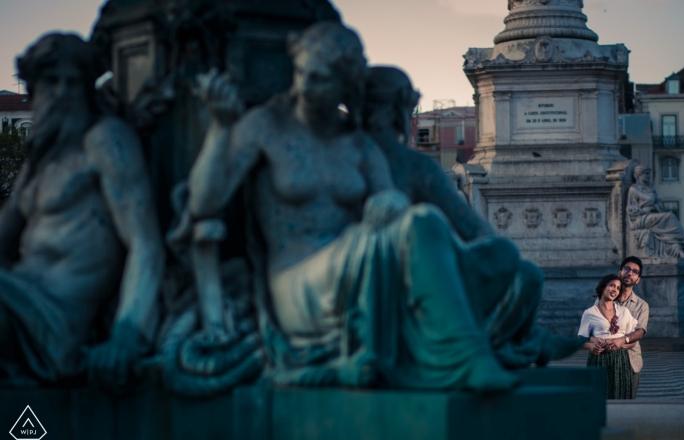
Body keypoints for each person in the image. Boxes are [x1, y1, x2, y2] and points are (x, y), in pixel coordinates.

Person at [175, 21, 535, 394]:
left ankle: (458, 346)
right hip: (300, 284)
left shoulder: (359, 145)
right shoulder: (265, 127)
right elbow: (204, 203)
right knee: (425, 223)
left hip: (353, 264)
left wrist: (389, 204)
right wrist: (220, 129)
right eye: (301, 74)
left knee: (501, 253)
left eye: (319, 79)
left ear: (345, 86)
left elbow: (387, 199)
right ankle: (468, 358)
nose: (303, 87)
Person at [361, 65, 582, 369]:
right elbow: (475, 229)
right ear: (397, 111)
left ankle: (518, 340)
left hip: (406, 264)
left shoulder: (390, 161)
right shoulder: (403, 164)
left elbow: (474, 229)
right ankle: (502, 345)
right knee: (512, 264)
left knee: (523, 270)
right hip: (392, 272)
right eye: (409, 110)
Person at [0, 34, 164, 388]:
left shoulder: (106, 141)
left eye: (72, 83)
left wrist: (127, 333)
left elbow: (145, 243)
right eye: (51, 82)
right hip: (16, 298)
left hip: (55, 323)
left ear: (87, 89)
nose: (61, 93)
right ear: (33, 88)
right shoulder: (39, 160)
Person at [596, 256, 649, 398]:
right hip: (605, 359)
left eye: (635, 272)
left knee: (627, 407)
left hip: (631, 360)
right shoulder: (603, 299)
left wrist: (623, 340)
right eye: (627, 269)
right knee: (603, 404)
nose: (630, 273)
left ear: (638, 279)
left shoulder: (641, 305)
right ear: (620, 272)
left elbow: (640, 332)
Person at [579, 274, 638, 399]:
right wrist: (590, 345)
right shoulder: (589, 313)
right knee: (598, 397)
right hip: (599, 359)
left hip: (621, 360)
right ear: (603, 287)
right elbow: (580, 341)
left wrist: (621, 343)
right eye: (611, 285)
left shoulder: (624, 312)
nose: (614, 290)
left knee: (621, 396)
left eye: (618, 288)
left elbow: (633, 342)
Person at [627, 165, 684, 258]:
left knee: (668, 231)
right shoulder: (634, 189)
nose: (649, 176)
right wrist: (644, 209)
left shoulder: (651, 187)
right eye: (646, 173)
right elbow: (631, 209)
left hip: (653, 215)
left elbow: (660, 204)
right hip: (641, 219)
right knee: (670, 216)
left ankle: (678, 250)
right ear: (638, 175)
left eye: (649, 173)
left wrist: (652, 206)